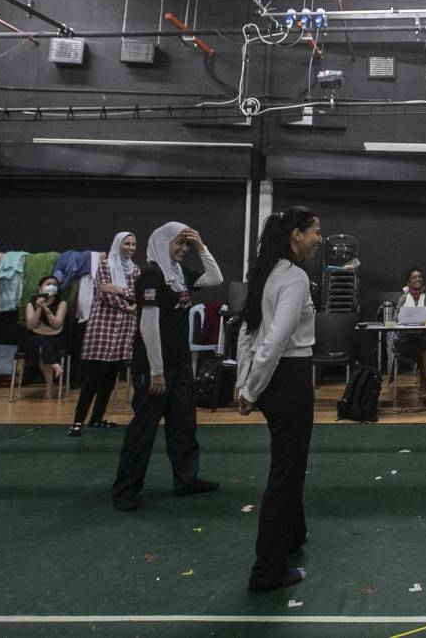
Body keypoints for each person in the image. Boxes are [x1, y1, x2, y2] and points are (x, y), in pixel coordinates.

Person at [237, 207, 322, 592]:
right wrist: (250, 388)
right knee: (285, 474)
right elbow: (273, 341)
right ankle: (267, 572)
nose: (320, 239)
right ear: (296, 236)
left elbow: (247, 334)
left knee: (290, 465)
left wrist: (246, 384)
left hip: (275, 383)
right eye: (315, 231)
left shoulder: (265, 274)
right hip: (288, 381)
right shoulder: (294, 278)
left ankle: (293, 537)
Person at [111, 222, 223, 512]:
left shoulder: (178, 274)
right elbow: (148, 325)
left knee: (184, 426)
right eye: (179, 243)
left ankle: (186, 480)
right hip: (154, 368)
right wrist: (156, 369)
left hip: (181, 364)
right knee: (143, 430)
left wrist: (202, 247)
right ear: (162, 242)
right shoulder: (152, 275)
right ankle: (125, 490)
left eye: (186, 245)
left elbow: (215, 278)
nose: (183, 249)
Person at [70, 232, 140, 435]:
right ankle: (77, 421)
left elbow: (137, 294)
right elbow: (106, 294)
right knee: (92, 378)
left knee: (111, 377)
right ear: (118, 244)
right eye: (127, 243)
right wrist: (129, 306)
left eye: (134, 244)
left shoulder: (136, 270)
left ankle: (97, 418)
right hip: (103, 328)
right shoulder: (104, 265)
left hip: (124, 330)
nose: (130, 247)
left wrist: (120, 289)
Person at [390, 267, 426, 399]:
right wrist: (400, 315)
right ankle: (422, 384)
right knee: (420, 344)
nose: (418, 279)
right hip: (407, 338)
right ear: (408, 282)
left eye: (419, 277)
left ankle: (423, 385)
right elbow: (395, 319)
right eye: (414, 277)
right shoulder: (403, 298)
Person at [23, 275, 67, 400]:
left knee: (43, 344)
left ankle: (49, 385)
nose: (52, 286)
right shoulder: (31, 304)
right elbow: (31, 326)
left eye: (55, 284)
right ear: (40, 287)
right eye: (48, 284)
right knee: (39, 340)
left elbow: (56, 324)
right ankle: (54, 367)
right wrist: (38, 309)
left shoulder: (61, 303)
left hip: (56, 338)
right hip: (34, 338)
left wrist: (46, 309)